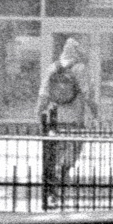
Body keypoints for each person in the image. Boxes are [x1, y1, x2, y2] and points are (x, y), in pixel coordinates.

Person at [36, 37, 89, 204]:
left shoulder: (53, 68)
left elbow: (43, 94)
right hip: (75, 120)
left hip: (55, 120)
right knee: (70, 157)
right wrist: (95, 113)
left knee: (55, 155)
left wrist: (38, 112)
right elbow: (88, 94)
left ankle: (54, 188)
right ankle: (62, 185)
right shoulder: (81, 69)